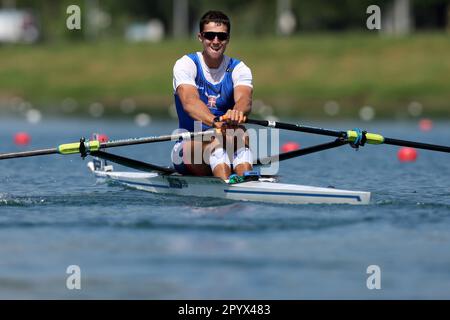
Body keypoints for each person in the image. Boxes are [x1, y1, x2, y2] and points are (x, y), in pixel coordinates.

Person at [171, 10, 254, 181]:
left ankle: (247, 185)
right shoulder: (186, 64)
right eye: (210, 35)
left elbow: (244, 99)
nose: (215, 41)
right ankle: (227, 187)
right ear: (200, 37)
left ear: (228, 39)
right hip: (187, 149)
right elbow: (190, 102)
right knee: (215, 139)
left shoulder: (239, 68)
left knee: (241, 134)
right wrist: (215, 121)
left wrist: (237, 112)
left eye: (221, 37)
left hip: (225, 142)